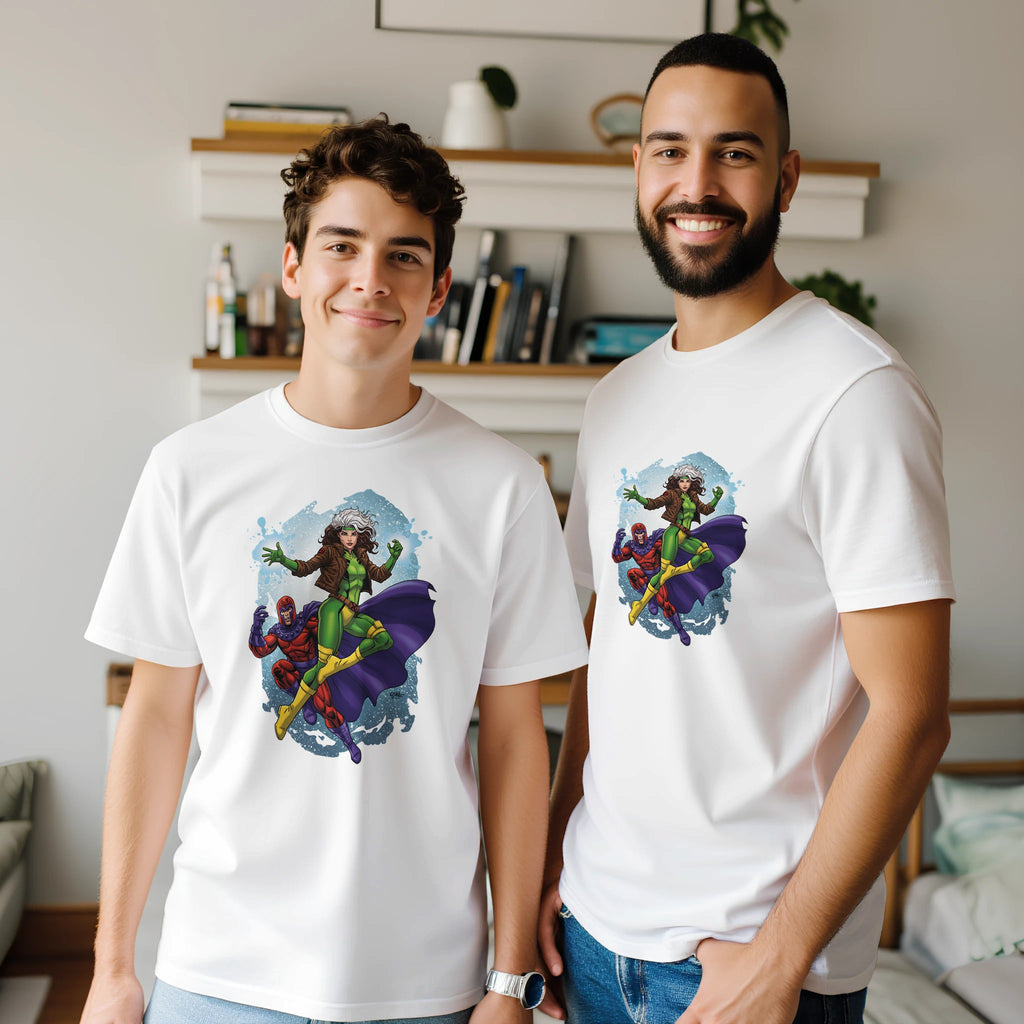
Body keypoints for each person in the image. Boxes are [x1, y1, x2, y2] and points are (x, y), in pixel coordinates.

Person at [82, 115, 588, 1024]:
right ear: (292, 268)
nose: (370, 279)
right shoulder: (188, 470)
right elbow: (154, 719)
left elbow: (516, 742)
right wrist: (112, 966)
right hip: (219, 975)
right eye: (342, 245)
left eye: (404, 256)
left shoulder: (505, 487)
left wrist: (511, 978)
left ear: (439, 289)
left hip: (427, 984)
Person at [539, 33, 954, 1024]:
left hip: (748, 961)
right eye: (670, 150)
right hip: (594, 931)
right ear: (638, 169)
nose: (698, 183)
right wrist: (553, 856)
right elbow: (609, 646)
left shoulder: (855, 392)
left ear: (786, 178)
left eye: (734, 152)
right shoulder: (615, 398)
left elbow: (912, 714)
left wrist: (781, 959)